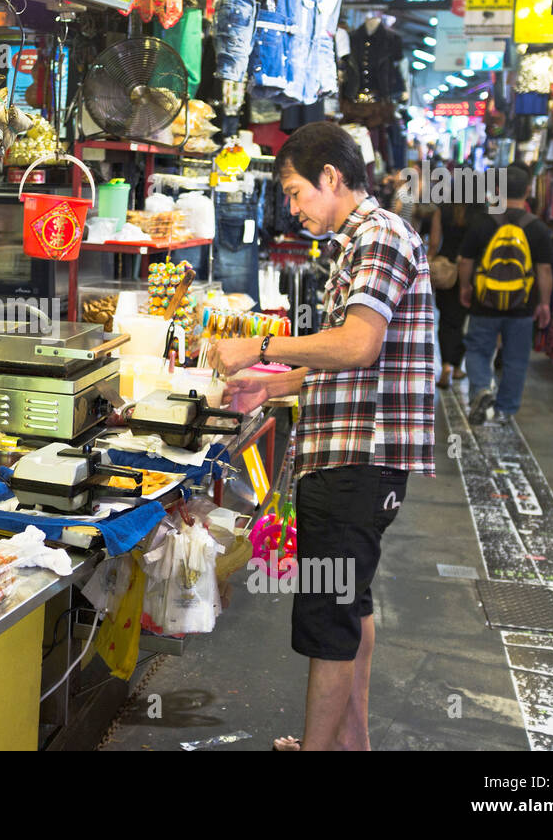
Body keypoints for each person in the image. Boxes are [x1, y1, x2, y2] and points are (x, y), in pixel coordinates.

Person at [209, 121, 435, 752]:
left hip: (358, 463)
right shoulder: (363, 239)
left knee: (328, 616)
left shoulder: (380, 236)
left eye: (296, 191)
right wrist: (274, 386)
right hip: (352, 458)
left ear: (332, 177)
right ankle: (348, 745)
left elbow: (359, 345)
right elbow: (349, 354)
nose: (294, 205)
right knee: (350, 604)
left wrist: (258, 345)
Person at [458, 164, 553, 425]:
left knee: (477, 351)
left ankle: (481, 390)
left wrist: (465, 287)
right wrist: (544, 303)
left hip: (484, 302)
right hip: (522, 305)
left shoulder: (483, 222)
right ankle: (506, 410)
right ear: (529, 190)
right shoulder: (539, 229)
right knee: (516, 358)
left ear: (497, 190)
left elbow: (465, 261)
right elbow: (544, 270)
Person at [429, 192, 476, 388]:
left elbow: (433, 242)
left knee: (447, 320)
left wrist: (429, 265)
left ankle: (446, 365)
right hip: (471, 270)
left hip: (446, 272)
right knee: (464, 320)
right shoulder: (480, 212)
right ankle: (457, 367)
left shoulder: (442, 210)